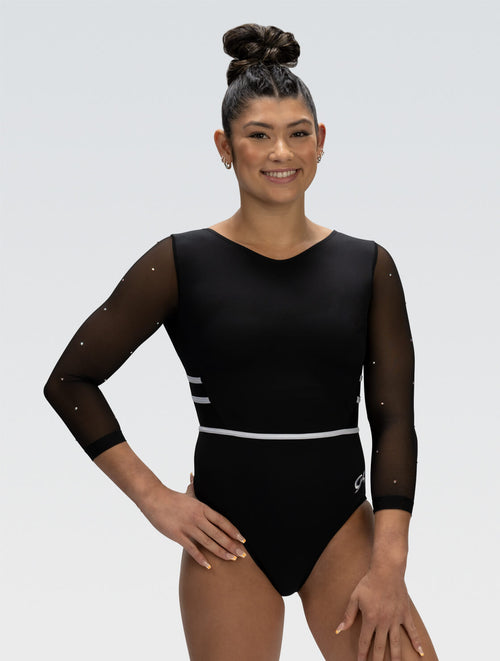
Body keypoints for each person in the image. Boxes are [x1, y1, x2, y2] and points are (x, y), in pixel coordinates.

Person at [44, 23, 438, 661]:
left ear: (321, 141)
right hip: (226, 540)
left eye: (298, 133)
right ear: (225, 147)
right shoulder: (179, 262)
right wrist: (155, 499)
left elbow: (394, 422)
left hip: (343, 530)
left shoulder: (367, 266)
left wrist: (389, 566)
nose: (281, 151)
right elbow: (69, 381)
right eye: (259, 135)